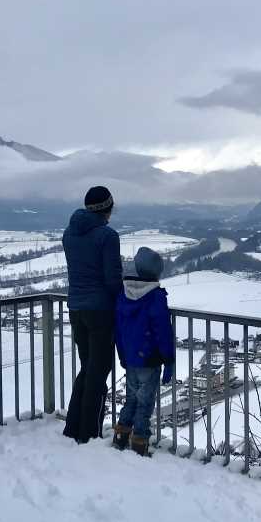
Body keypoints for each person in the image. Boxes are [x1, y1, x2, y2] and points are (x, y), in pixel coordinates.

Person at [62, 186, 122, 443]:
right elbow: (112, 279)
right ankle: (89, 433)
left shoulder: (69, 233)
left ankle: (73, 426)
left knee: (88, 368)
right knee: (99, 372)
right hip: (100, 311)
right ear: (108, 208)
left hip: (76, 308)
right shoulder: (107, 236)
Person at [112, 247, 174, 456]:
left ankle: (121, 436)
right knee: (145, 403)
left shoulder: (123, 294)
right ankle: (139, 443)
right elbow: (163, 332)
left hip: (130, 359)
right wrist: (169, 360)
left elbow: (119, 330)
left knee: (131, 399)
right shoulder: (155, 297)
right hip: (149, 360)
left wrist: (122, 354)